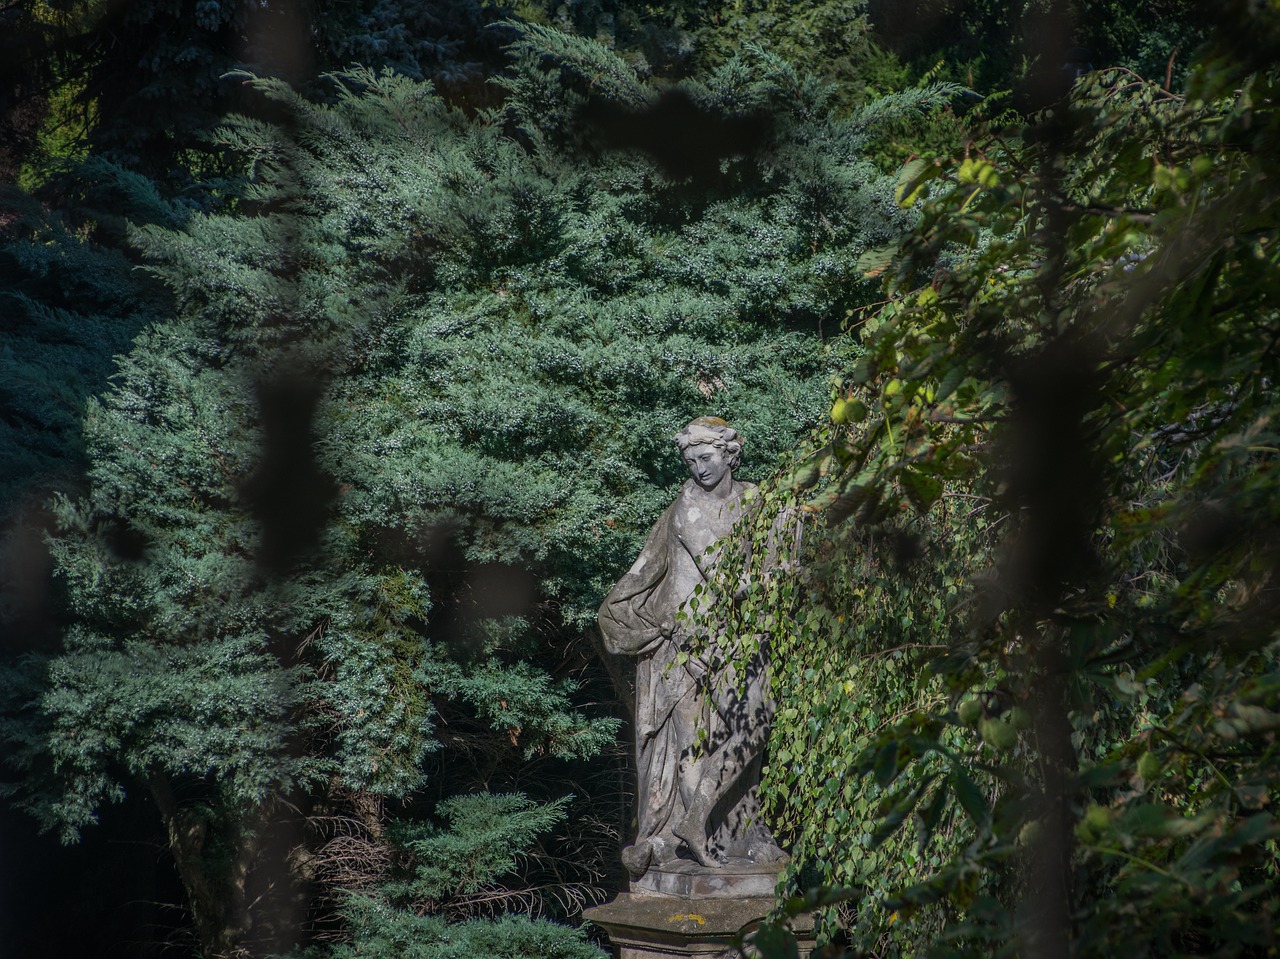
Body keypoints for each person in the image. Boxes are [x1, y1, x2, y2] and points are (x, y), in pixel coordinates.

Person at [598, 417, 786, 877]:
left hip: (738, 640)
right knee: (691, 748)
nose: (699, 468)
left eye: (707, 458)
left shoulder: (755, 500)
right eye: (691, 460)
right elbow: (729, 578)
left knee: (751, 732)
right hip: (683, 646)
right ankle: (694, 838)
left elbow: (773, 559)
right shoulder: (687, 509)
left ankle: (723, 831)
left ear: (730, 455)